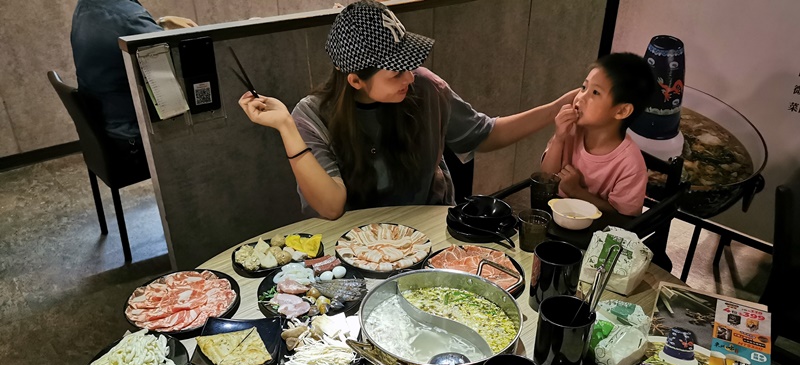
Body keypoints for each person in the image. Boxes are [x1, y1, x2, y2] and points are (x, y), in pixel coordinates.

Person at [238, 0, 576, 220]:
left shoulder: (426, 88)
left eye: (411, 64)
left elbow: (486, 134)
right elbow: (331, 206)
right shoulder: (312, 116)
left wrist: (556, 109)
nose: (410, 76)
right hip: (354, 244)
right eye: (397, 72)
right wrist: (285, 126)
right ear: (356, 81)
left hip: (428, 229)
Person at [70, 0, 196, 172]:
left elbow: (121, 34)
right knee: (223, 120)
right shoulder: (130, 18)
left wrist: (160, 24)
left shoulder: (86, 6)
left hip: (105, 131)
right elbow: (181, 62)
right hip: (131, 141)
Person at [540, 53, 657, 216]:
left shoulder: (630, 164)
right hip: (556, 218)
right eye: (583, 87)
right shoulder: (570, 130)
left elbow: (623, 218)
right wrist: (559, 138)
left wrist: (577, 192)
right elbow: (546, 178)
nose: (580, 97)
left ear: (622, 110)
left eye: (595, 93)